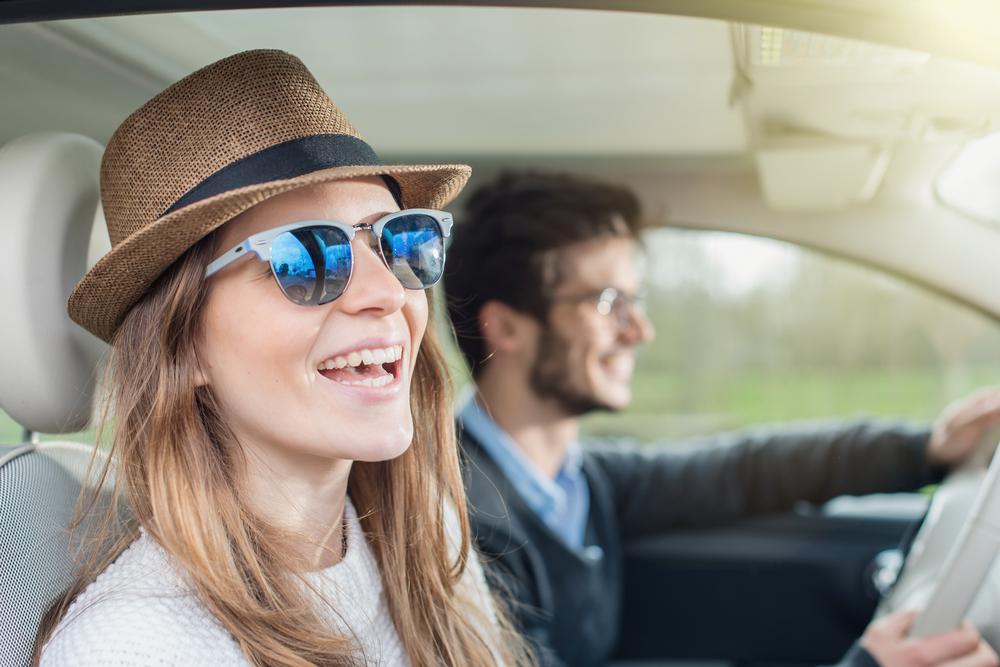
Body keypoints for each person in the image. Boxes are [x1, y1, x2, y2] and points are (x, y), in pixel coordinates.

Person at [34, 50, 532, 667]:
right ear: (181, 345)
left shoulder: (432, 545)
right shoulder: (135, 647)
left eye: (402, 241)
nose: (388, 293)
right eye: (306, 258)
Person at [443, 171, 1000, 667]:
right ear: (508, 328)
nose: (640, 331)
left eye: (636, 302)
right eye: (610, 301)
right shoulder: (461, 525)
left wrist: (927, 447)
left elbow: (745, 470)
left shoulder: (577, 480)